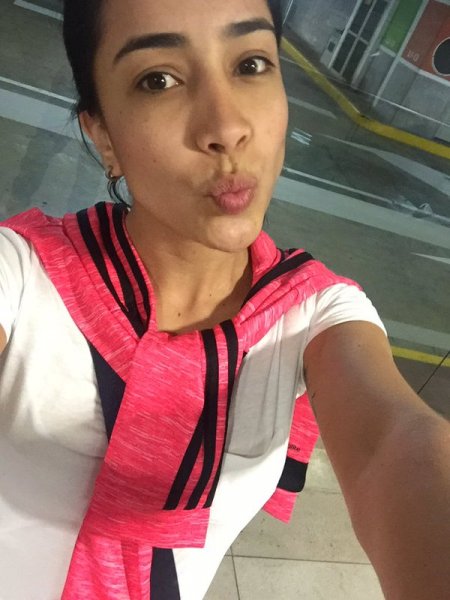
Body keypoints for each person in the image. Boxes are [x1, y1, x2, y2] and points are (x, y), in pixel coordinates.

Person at [0, 0, 449, 598]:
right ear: (103, 134)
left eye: (251, 64)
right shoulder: (22, 274)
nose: (227, 127)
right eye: (158, 80)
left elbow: (395, 445)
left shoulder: (312, 313)